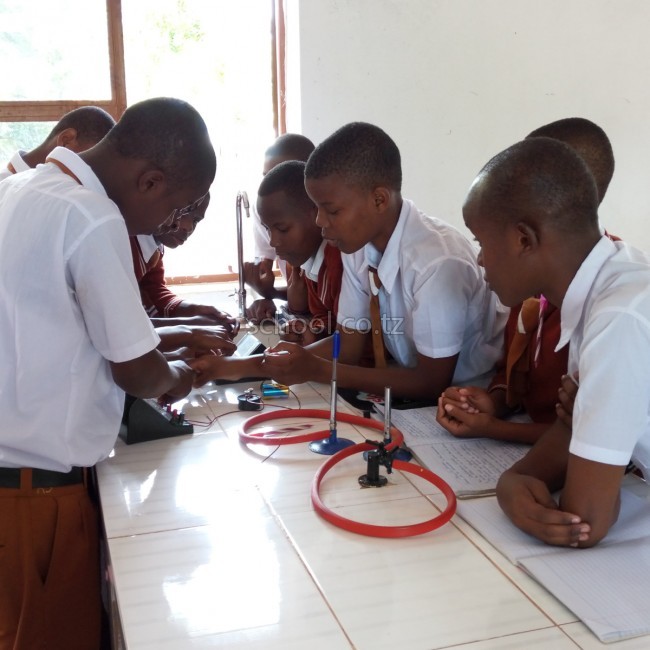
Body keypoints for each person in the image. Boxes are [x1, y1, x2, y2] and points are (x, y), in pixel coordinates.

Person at [0, 96, 216, 649]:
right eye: (175, 208)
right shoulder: (92, 217)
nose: (168, 225)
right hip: (37, 495)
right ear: (150, 182)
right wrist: (180, 376)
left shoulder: (17, 189)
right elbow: (136, 371)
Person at [207, 122, 504, 399]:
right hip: (413, 393)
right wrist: (242, 367)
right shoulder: (359, 247)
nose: (320, 221)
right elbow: (347, 347)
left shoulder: (435, 263)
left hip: (468, 397)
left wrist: (317, 368)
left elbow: (430, 381)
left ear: (379, 200)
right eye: (317, 209)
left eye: (332, 211)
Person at [461, 136, 650, 548]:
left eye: (480, 242)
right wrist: (514, 479)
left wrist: (518, 490)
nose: (480, 259)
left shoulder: (619, 316)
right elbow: (570, 424)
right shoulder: (603, 279)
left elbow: (584, 521)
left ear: (523, 239)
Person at [437, 117, 617, 444]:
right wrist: (494, 402)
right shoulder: (527, 274)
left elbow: (592, 432)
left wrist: (493, 429)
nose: (479, 258)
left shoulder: (610, 305)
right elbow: (516, 374)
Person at [130, 192, 239, 358]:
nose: (188, 227)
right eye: (183, 212)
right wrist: (192, 328)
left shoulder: (154, 246)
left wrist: (195, 310)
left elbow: (154, 291)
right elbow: (127, 327)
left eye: (196, 220)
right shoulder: (127, 245)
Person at [244, 133, 315, 323]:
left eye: (282, 229)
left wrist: (275, 294)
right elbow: (264, 274)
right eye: (266, 177)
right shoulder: (265, 210)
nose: (273, 241)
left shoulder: (335, 241)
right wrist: (267, 294)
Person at [0, 105, 116, 181]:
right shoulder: (4, 187)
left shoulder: (61, 192)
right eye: (88, 162)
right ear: (66, 141)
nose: (88, 177)